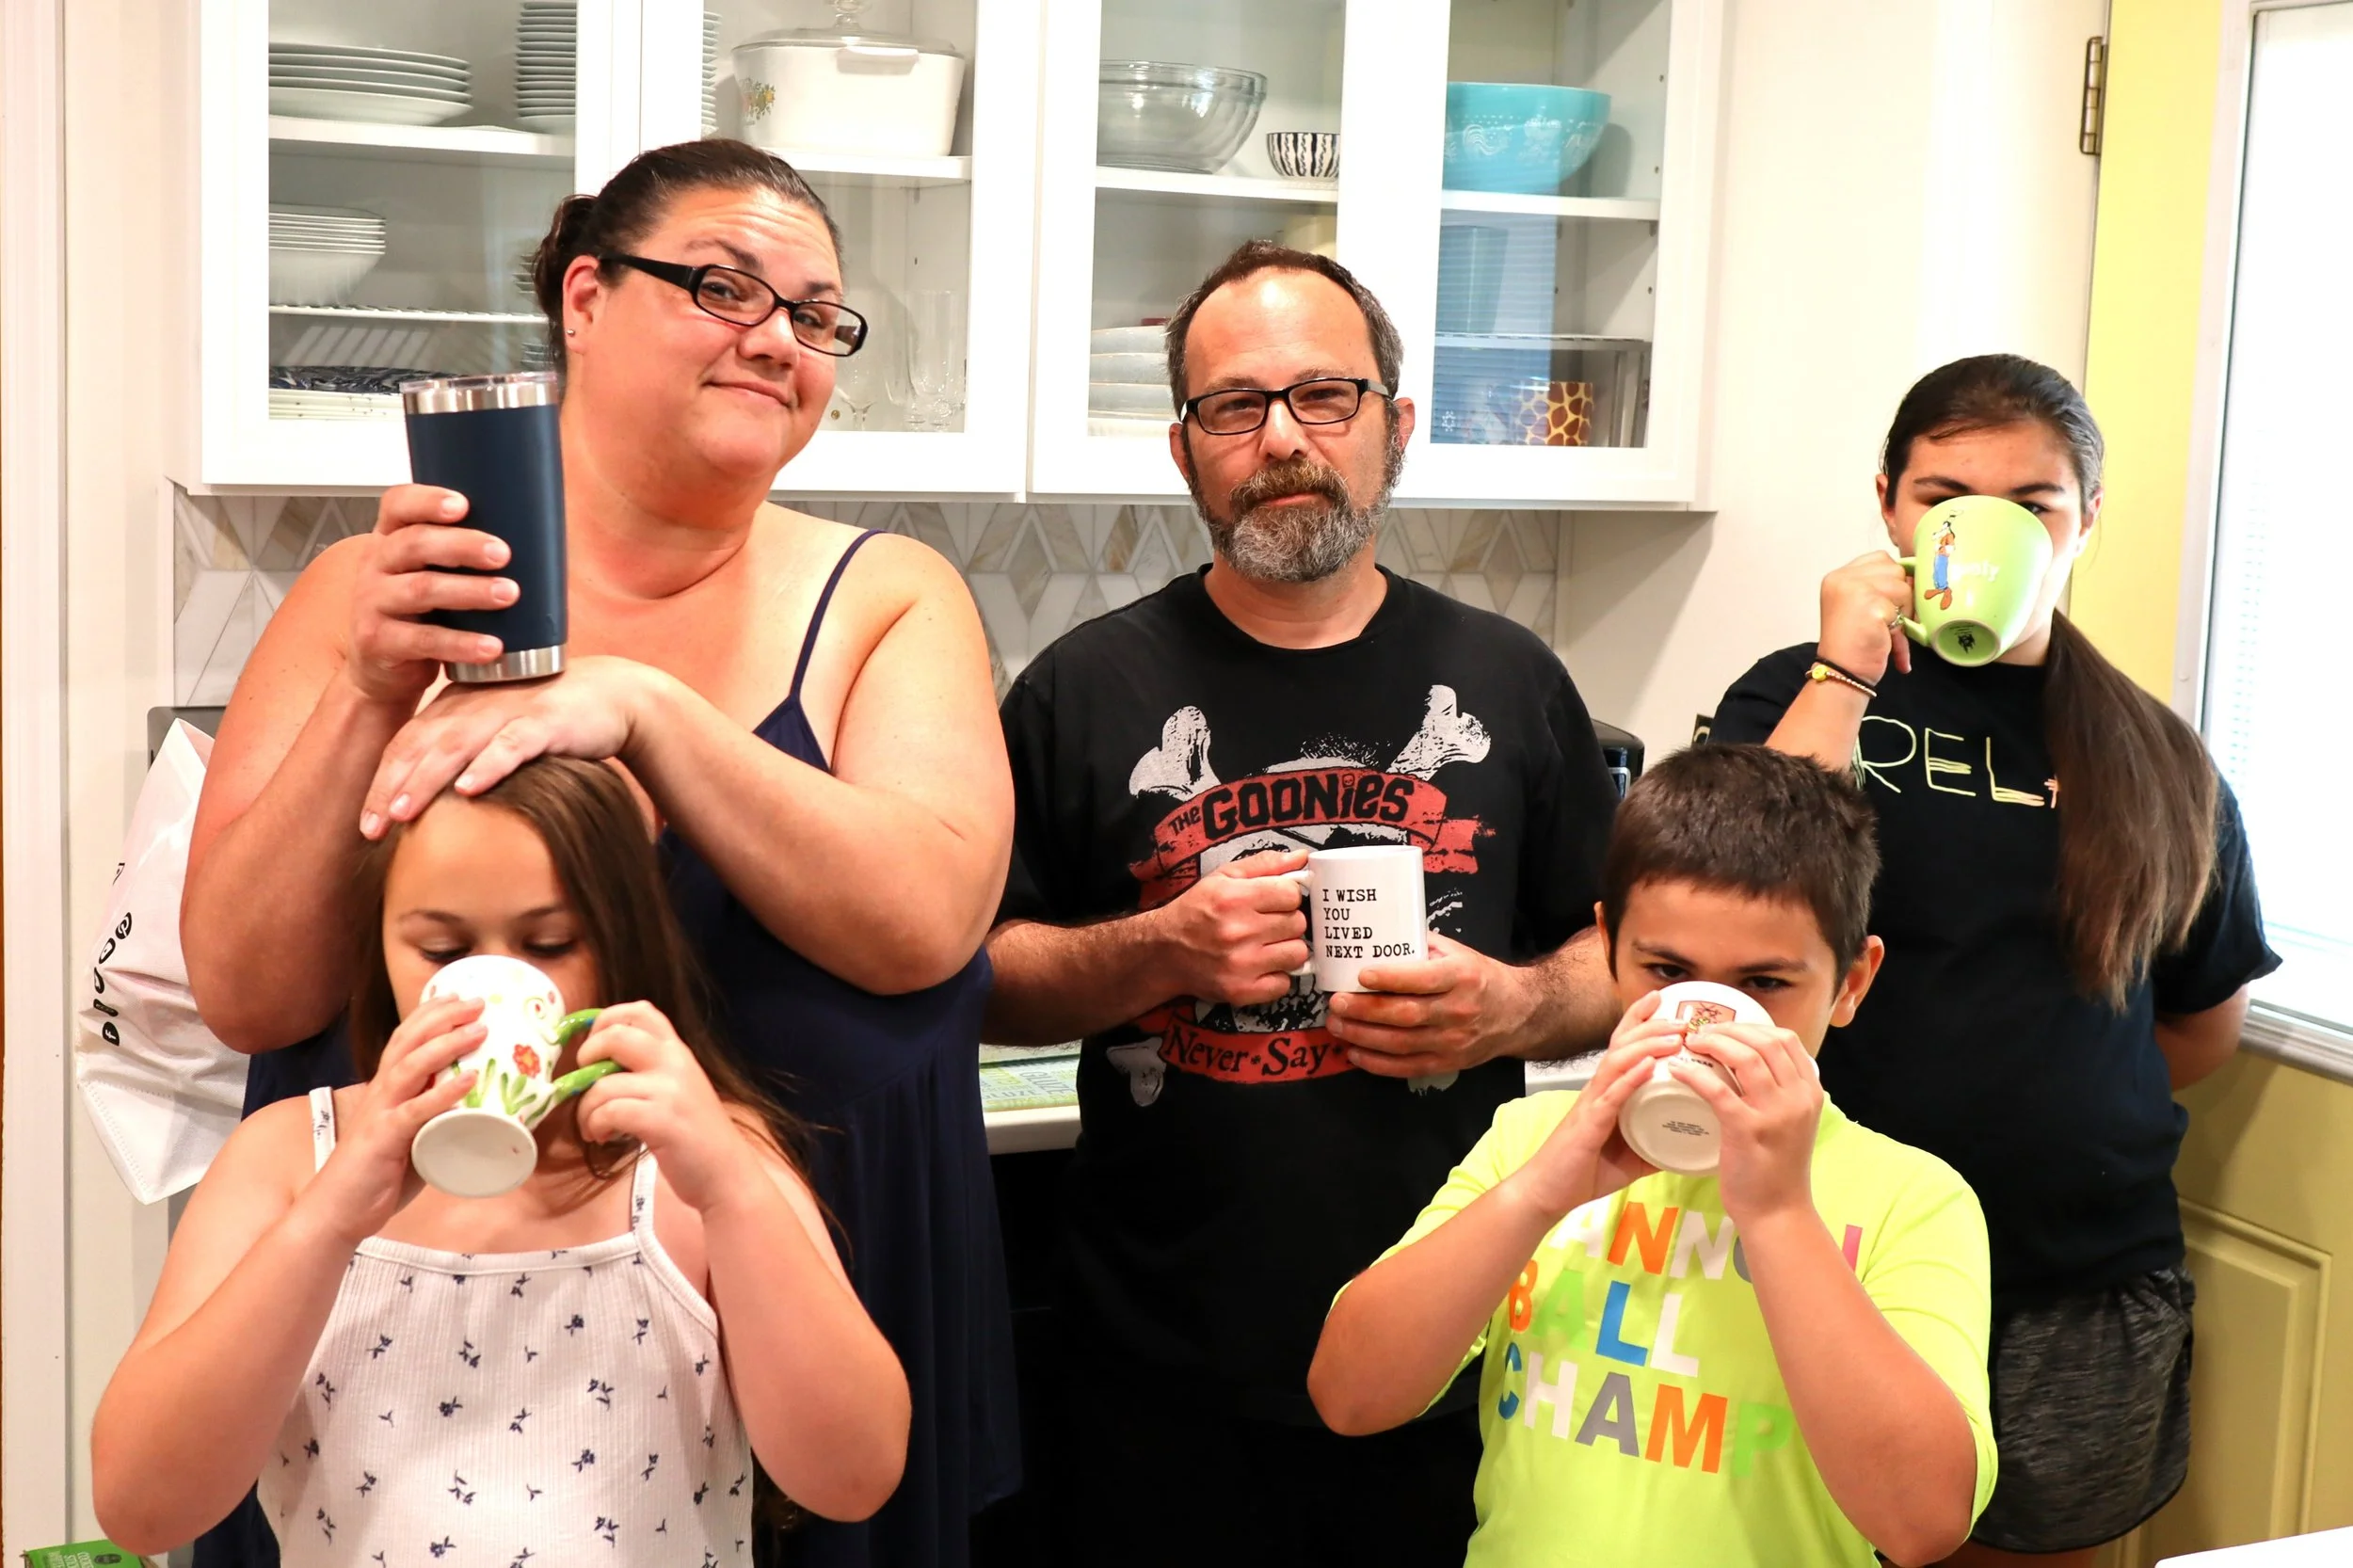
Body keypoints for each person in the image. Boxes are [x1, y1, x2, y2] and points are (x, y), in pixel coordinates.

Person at [179, 140, 1017, 1568]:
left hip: (787, 1304)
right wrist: (374, 690)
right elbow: (248, 991)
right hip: (407, 1323)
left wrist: (646, 712)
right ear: (584, 298)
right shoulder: (373, 596)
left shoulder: (889, 596)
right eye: (724, 287)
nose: (778, 339)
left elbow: (925, 919)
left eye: (817, 316)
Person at [984, 240, 1623, 1566]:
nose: (1282, 438)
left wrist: (1513, 1006)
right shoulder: (1078, 690)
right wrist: (1159, 949)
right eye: (1235, 405)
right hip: (1154, 1366)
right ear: (1183, 449)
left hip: (1450, 1344)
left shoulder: (1512, 681)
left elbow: (1623, 956)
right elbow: (978, 977)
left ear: (1395, 424)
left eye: (1325, 395)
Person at [1708, 354, 2280, 1565]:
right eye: (1944, 496)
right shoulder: (1796, 695)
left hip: (2071, 1277)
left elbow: (2197, 1026)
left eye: (2033, 503)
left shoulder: (2156, 756)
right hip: (1829, 1252)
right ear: (1887, 507)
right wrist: (1844, 670)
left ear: (2087, 519)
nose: (1987, 527)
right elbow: (1736, 902)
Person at [95, 759, 909, 1564]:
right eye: (441, 950)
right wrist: (329, 1217)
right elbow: (143, 1507)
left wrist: (732, 1192)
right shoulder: (286, 1162)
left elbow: (854, 1477)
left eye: (549, 944)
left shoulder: (703, 1165)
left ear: (620, 943)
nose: (490, 991)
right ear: (379, 945)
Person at [1309, 744, 1998, 1568]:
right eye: (1667, 970)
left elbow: (1923, 1523)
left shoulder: (1912, 1198)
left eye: (1765, 984)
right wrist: (1537, 1194)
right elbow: (1350, 1397)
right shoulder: (1531, 1141)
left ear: (1851, 983)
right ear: (1608, 949)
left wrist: (1779, 1214)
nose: (1709, 1022)